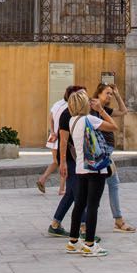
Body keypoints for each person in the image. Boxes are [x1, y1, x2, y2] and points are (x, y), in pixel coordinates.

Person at [66, 88, 116, 256]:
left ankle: (73, 241)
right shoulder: (90, 119)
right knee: (93, 206)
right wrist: (101, 110)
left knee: (79, 204)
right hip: (96, 168)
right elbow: (114, 127)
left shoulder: (72, 121)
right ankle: (89, 243)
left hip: (81, 168)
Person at [46, 85, 88, 237]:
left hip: (76, 157)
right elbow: (63, 141)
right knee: (79, 193)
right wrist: (62, 163)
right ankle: (84, 229)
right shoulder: (66, 115)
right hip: (69, 158)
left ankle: (55, 224)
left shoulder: (79, 114)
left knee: (71, 192)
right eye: (82, 95)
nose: (86, 98)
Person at [93, 83, 136, 233]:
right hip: (101, 154)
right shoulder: (93, 108)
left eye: (111, 94)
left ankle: (117, 220)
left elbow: (124, 111)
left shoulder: (105, 109)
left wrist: (118, 95)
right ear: (98, 94)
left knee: (111, 185)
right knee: (107, 186)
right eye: (107, 93)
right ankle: (117, 220)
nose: (109, 96)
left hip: (106, 153)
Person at [37, 86, 77, 195]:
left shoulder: (57, 104)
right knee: (65, 163)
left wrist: (52, 131)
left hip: (54, 138)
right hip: (62, 138)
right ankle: (62, 189)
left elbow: (50, 117)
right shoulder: (70, 107)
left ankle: (42, 179)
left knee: (56, 161)